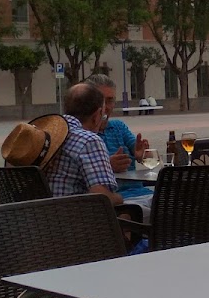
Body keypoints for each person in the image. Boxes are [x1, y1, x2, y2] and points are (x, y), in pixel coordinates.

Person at [45, 82, 125, 208]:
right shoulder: (89, 140)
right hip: (75, 219)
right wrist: (120, 198)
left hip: (40, 217)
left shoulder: (46, 134)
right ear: (97, 115)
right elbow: (101, 197)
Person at [86, 74, 152, 209]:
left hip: (141, 193)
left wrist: (143, 154)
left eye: (110, 100)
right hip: (117, 201)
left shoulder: (118, 127)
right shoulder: (85, 136)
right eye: (100, 100)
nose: (105, 107)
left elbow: (143, 154)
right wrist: (107, 166)